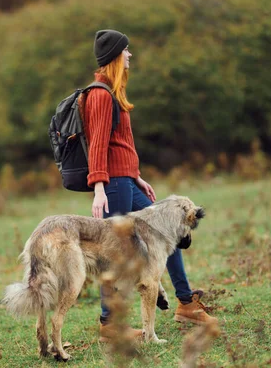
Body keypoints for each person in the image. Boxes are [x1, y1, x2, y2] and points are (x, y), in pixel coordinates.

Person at [80, 29, 215, 341]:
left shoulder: (114, 93)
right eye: (126, 51)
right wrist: (99, 186)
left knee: (171, 231)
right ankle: (110, 324)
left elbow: (122, 142)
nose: (130, 55)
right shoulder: (100, 95)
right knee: (115, 254)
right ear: (115, 56)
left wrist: (136, 174)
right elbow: (98, 145)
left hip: (126, 180)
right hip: (112, 184)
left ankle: (185, 303)